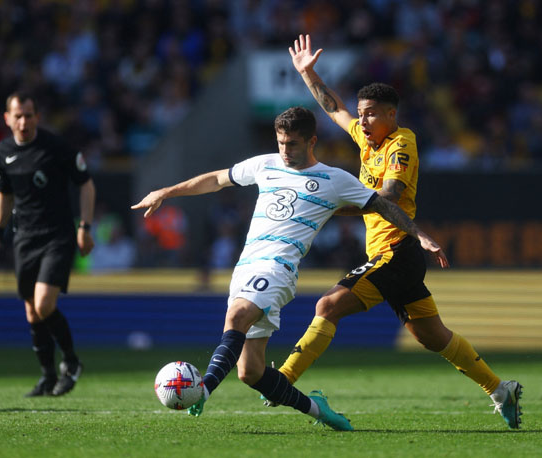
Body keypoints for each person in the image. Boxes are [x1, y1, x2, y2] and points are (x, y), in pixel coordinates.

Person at [132, 107, 448, 431]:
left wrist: (420, 235)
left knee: (237, 317)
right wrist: (166, 192)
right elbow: (216, 180)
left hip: (277, 268)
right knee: (250, 372)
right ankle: (319, 410)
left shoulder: (335, 179)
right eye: (281, 142)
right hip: (245, 268)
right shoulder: (265, 164)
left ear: (312, 141)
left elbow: (383, 205)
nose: (285, 150)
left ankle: (205, 389)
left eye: (292, 144)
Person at [271, 35, 523, 429]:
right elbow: (334, 109)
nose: (363, 121)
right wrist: (308, 74)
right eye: (362, 114)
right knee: (432, 337)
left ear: (391, 114)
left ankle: (283, 379)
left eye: (371, 114)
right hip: (390, 255)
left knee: (328, 306)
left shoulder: (401, 144)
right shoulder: (365, 140)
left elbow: (388, 195)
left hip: (397, 251)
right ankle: (500, 389)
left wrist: (330, 206)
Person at [0, 92, 95, 397]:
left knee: (44, 304)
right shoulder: (4, 151)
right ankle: (47, 376)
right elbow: (5, 194)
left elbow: (86, 184)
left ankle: (71, 362)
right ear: (7, 118)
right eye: (18, 116)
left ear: (37, 117)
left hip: (57, 236)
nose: (23, 122)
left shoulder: (56, 147)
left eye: (28, 115)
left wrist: (84, 227)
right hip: (25, 238)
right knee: (32, 312)